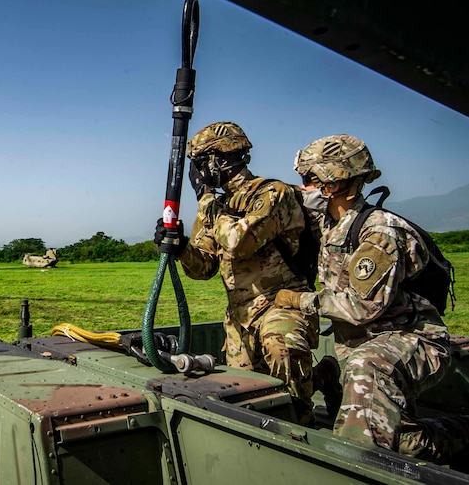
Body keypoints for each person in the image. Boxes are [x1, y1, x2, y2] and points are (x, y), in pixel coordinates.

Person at [274, 133, 469, 462]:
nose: (302, 188)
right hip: (368, 342)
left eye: (308, 179)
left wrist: (299, 301)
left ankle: (359, 469)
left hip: (412, 340)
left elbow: (361, 306)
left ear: (332, 184)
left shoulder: (378, 231)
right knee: (403, 443)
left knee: (368, 373)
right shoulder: (332, 226)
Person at [154, 121, 334, 426]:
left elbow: (237, 243)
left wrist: (207, 200)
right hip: (240, 315)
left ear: (220, 159)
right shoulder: (215, 206)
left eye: (200, 163)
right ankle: (322, 376)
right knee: (249, 395)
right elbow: (205, 268)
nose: (196, 173)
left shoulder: (271, 193)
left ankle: (303, 428)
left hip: (282, 304)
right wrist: (181, 246)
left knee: (284, 361)